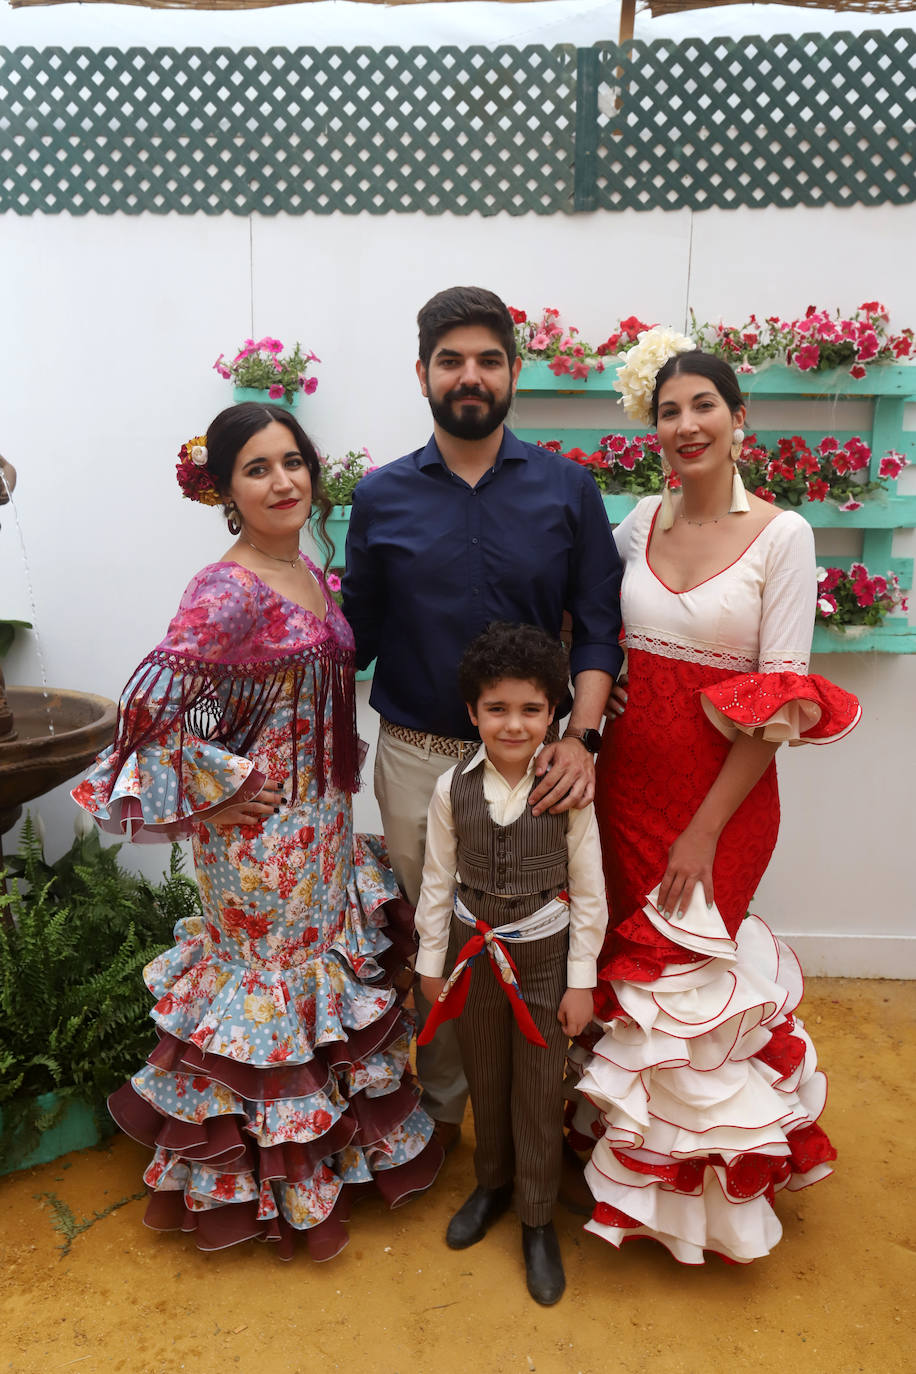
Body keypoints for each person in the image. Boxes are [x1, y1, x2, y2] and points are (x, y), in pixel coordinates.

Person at [72, 403, 442, 1261]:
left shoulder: (307, 567)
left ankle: (328, 1163)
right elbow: (144, 708)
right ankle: (265, 1191)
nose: (283, 482)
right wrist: (212, 795)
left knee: (313, 993)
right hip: (256, 847)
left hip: (320, 830)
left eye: (293, 462)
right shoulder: (227, 587)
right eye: (258, 469)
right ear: (227, 490)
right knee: (270, 999)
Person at [570, 331, 860, 1265]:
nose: (686, 424)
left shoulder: (784, 535)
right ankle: (633, 1173)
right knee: (627, 982)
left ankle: (710, 1207)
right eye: (668, 410)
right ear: (651, 428)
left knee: (688, 988)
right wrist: (600, 681)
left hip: (718, 808)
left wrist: (701, 831)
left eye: (705, 406)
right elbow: (599, 632)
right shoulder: (636, 523)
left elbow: (779, 701)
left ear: (740, 420)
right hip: (620, 792)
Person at [342, 286, 623, 1150]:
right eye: (452, 360)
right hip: (418, 758)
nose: (471, 376)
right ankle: (449, 1112)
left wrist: (581, 739)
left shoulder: (568, 491)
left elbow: (601, 630)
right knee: (442, 938)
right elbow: (350, 639)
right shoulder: (381, 497)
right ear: (423, 373)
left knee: (539, 939)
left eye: (488, 360)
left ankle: (538, 1113)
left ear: (513, 372)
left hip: (535, 763)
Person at [413, 623, 608, 1304]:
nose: (514, 724)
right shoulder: (451, 788)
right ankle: (492, 1186)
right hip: (472, 961)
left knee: (535, 1089)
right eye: (497, 709)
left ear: (553, 711)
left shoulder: (568, 790)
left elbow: (589, 892)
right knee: (485, 1077)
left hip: (544, 961)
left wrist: (580, 982)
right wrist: (430, 964)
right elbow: (438, 881)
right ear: (472, 713)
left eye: (531, 709)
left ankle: (536, 1218)